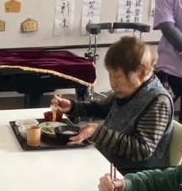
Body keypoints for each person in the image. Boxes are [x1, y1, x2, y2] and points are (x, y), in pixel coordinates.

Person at [52, 36, 174, 171]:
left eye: (117, 77)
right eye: (110, 75)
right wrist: (73, 106)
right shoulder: (127, 91)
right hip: (107, 163)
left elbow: (142, 150)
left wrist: (99, 133)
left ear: (141, 73)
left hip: (133, 176)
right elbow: (100, 108)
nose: (113, 83)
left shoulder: (159, 101)